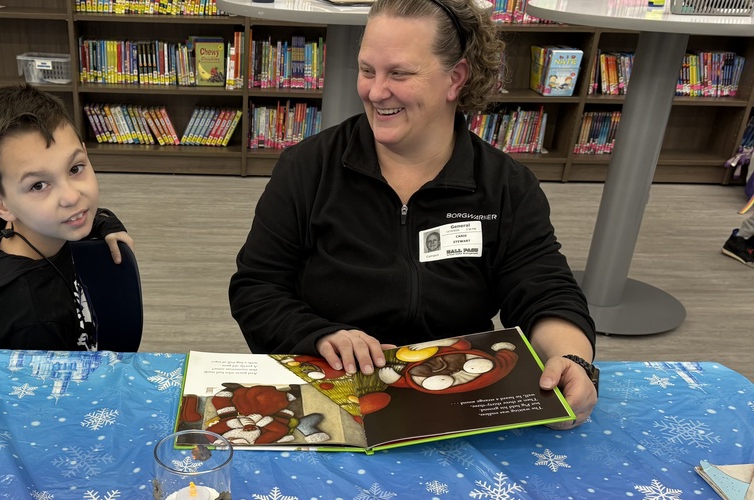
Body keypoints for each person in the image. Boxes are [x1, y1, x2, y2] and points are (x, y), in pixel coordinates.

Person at [228, 0, 598, 428]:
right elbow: (257, 289)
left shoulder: (506, 185)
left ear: (455, 78)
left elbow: (544, 290)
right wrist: (321, 334)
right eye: (367, 70)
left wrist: (571, 362)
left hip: (456, 398)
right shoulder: (307, 168)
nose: (375, 91)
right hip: (330, 394)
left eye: (399, 73)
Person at [0, 84, 134, 351]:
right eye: (38, 186)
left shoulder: (1, 226)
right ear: (0, 203)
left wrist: (104, 222)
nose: (71, 197)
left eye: (75, 168)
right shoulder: (34, 321)